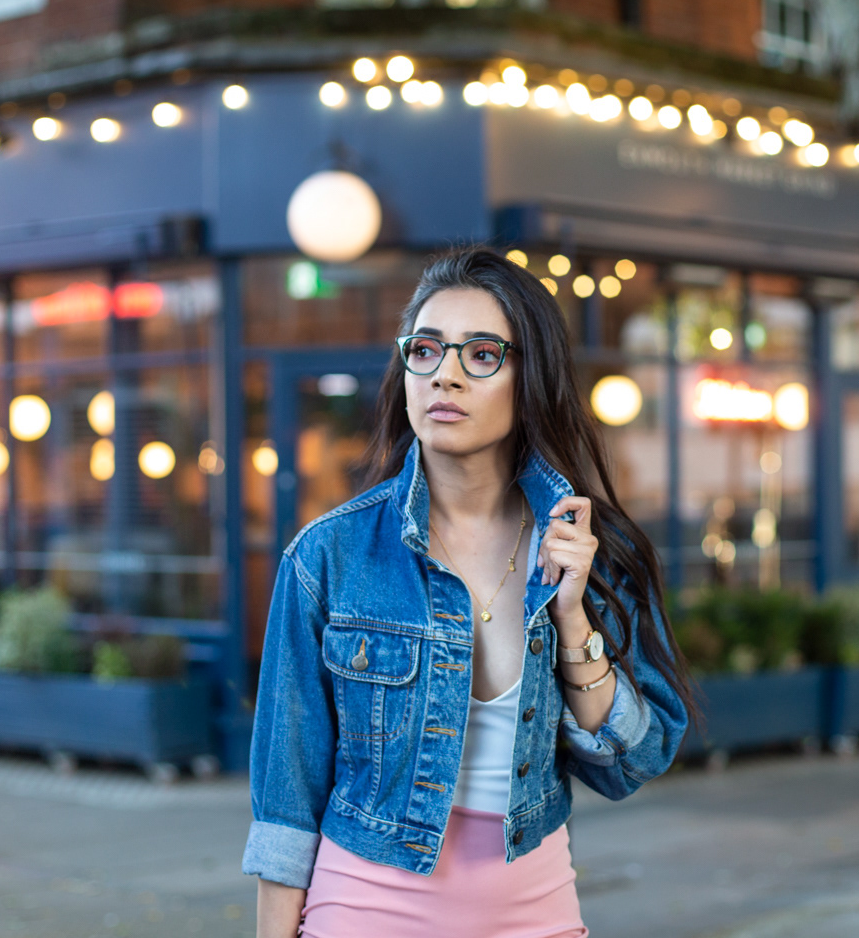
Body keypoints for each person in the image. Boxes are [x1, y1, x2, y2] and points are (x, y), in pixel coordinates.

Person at [243, 248, 697, 938]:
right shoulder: (328, 556)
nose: (444, 375)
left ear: (530, 377)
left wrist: (572, 618)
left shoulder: (591, 551)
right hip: (364, 912)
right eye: (425, 351)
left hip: (534, 914)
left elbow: (633, 761)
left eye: (481, 355)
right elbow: (286, 796)